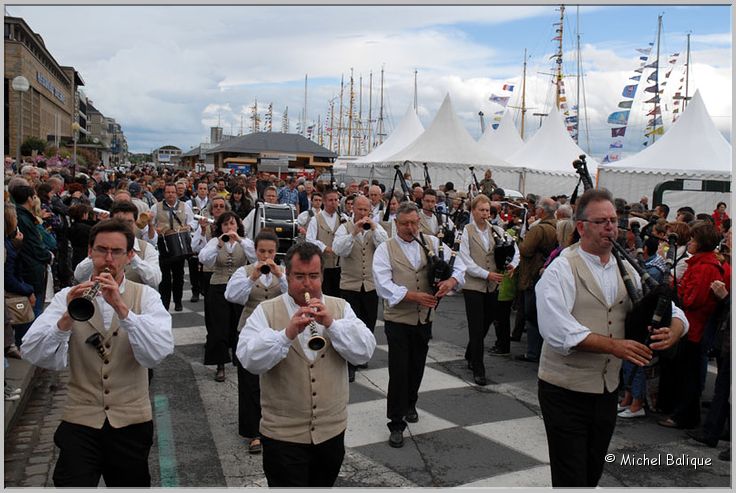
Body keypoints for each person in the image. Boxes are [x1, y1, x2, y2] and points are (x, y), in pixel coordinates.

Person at [535, 188, 688, 487]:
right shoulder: (562, 268)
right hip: (564, 390)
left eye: (614, 220)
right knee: (571, 476)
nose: (611, 227)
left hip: (606, 391)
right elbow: (557, 330)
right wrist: (614, 346)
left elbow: (673, 310)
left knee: (591, 472)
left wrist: (674, 331)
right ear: (581, 227)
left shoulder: (626, 267)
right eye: (602, 221)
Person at [20, 219, 174, 487]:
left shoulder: (146, 297)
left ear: (129, 256)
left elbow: (157, 353)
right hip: (80, 418)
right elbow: (34, 353)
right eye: (102, 250)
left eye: (116, 252)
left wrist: (122, 310)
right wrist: (66, 318)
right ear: (90, 252)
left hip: (131, 421)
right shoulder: (67, 296)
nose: (108, 259)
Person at [236, 242, 376, 487]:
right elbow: (248, 359)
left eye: (313, 276)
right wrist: (286, 334)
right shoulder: (266, 311)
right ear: (287, 276)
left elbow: (364, 352)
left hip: (330, 433)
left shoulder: (340, 308)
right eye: (299, 276)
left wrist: (332, 324)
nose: (307, 284)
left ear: (322, 276)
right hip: (282, 437)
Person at [373, 202, 464, 448]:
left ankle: (410, 402)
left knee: (417, 366)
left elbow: (460, 263)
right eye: (405, 224)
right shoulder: (385, 249)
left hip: (424, 319)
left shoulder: (431, 243)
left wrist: (451, 281)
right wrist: (412, 296)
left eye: (414, 223)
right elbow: (382, 284)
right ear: (396, 223)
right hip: (398, 320)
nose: (410, 228)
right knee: (399, 370)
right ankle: (396, 422)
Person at [658, 221, 729, 430]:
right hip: (695, 326)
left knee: (688, 374)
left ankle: (684, 416)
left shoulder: (704, 267)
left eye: (693, 240)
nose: (689, 243)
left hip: (694, 327)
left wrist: (677, 289)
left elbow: (692, 300)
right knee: (688, 372)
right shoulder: (703, 264)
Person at [225, 229, 288, 455]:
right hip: (250, 329)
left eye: (270, 251)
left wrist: (280, 275)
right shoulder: (244, 271)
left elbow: (295, 295)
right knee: (250, 383)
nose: (266, 256)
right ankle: (253, 432)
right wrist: (253, 275)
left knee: (279, 379)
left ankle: (277, 424)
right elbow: (232, 296)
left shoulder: (283, 271)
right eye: (262, 251)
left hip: (278, 329)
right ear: (256, 251)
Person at [459, 195, 519, 385]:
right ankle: (478, 368)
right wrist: (486, 274)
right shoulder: (466, 232)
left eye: (487, 210)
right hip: (473, 286)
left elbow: (514, 249)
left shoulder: (498, 230)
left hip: (493, 285)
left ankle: (470, 353)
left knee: (485, 324)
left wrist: (512, 264)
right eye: (481, 210)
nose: (485, 214)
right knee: (476, 326)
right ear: (473, 211)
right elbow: (465, 261)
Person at [333, 195, 388, 382]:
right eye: (360, 209)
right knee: (350, 325)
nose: (363, 213)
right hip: (350, 284)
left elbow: (385, 246)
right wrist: (354, 232)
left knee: (368, 322)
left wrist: (373, 227)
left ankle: (362, 355)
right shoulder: (344, 227)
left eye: (366, 210)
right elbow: (340, 250)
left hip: (370, 284)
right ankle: (349, 364)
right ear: (353, 209)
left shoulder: (376, 228)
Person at [198, 211, 256, 382]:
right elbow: (204, 259)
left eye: (232, 224)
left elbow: (254, 257)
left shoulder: (245, 242)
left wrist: (239, 240)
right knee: (219, 325)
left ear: (238, 226)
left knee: (239, 323)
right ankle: (220, 364)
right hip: (219, 285)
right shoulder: (216, 241)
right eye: (226, 224)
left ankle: (241, 359)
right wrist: (218, 245)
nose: (229, 227)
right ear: (220, 227)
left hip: (239, 286)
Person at [74, 201, 162, 290]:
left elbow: (155, 280)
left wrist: (133, 258)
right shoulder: (101, 246)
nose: (125, 227)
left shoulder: (146, 248)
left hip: (133, 301)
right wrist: (96, 255)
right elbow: (79, 276)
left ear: (135, 223)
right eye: (120, 222)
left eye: (129, 222)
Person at [515, 197, 558, 363]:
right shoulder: (558, 226)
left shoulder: (538, 229)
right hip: (546, 273)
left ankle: (533, 352)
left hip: (534, 273)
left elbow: (525, 250)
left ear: (541, 211)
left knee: (532, 314)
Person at [151, 182, 196, 312]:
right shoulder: (156, 207)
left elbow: (192, 221)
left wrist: (189, 227)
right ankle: (164, 303)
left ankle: (178, 301)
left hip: (179, 244)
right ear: (164, 193)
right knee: (164, 277)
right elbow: (150, 224)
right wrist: (155, 229)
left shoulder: (184, 206)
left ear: (177, 193)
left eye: (173, 192)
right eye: (168, 192)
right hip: (163, 244)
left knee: (178, 275)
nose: (170, 195)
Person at [11, 185, 52, 318]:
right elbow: (34, 246)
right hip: (31, 270)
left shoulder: (22, 216)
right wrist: (48, 256)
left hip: (29, 268)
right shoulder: (24, 219)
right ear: (29, 199)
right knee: (33, 313)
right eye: (34, 197)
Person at [306, 188, 343, 296]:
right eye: (331, 200)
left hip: (339, 265)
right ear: (324, 202)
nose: (334, 203)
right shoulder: (316, 219)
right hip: (323, 265)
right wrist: (324, 247)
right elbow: (310, 240)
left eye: (336, 200)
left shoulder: (343, 218)